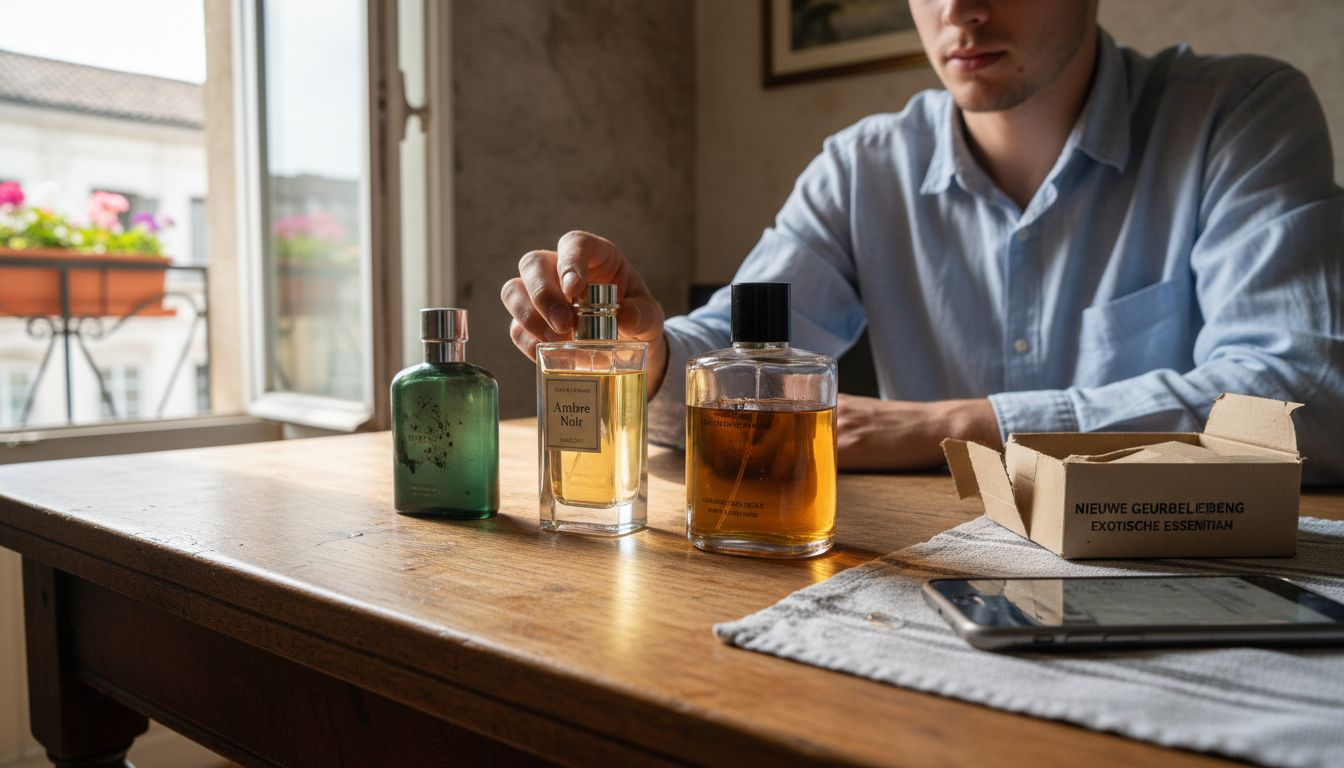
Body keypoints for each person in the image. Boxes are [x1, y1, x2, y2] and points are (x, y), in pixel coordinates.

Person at [500, 0, 1344, 483]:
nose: (958, 8)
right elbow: (737, 351)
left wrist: (952, 425)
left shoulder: (1240, 116)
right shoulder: (862, 168)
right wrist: (646, 359)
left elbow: (1304, 401)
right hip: (932, 587)